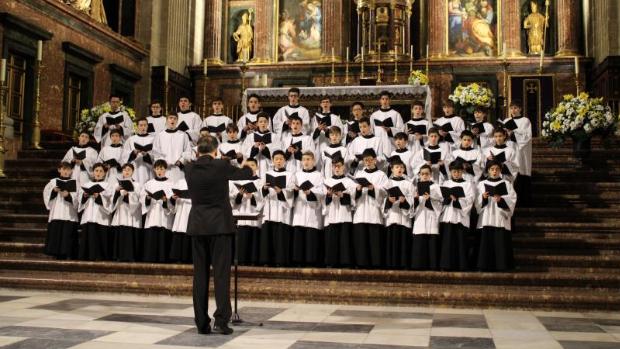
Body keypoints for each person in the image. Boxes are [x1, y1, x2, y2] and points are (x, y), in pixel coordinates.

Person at [184, 135, 254, 335]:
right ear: (215, 150)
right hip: (220, 226)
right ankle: (222, 321)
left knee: (200, 275)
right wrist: (246, 164)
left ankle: (201, 323)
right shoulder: (221, 166)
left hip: (198, 226)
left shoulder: (189, 168)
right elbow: (246, 174)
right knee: (221, 275)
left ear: (198, 151)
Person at [475, 160, 517, 271]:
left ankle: (502, 266)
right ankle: (483, 265)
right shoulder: (481, 184)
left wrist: (501, 200)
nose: (494, 172)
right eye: (492, 169)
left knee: (501, 243)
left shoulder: (507, 184)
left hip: (500, 217)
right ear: (488, 170)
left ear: (500, 171)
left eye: (497, 169)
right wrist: (483, 198)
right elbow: (476, 202)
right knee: (485, 243)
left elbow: (512, 199)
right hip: (486, 217)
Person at [352, 148, 389, 268]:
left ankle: (375, 264)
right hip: (361, 210)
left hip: (374, 211)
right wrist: (357, 189)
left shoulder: (381, 175)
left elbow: (385, 192)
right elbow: (352, 192)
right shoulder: (359, 174)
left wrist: (374, 189)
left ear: (375, 160)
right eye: (365, 160)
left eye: (369, 159)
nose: (367, 162)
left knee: (374, 241)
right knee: (361, 240)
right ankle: (361, 264)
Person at [259, 150, 295, 266]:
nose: (278, 161)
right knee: (267, 236)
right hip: (269, 209)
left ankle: (280, 261)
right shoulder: (267, 174)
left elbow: (290, 191)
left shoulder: (290, 175)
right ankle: (266, 260)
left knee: (280, 236)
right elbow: (261, 192)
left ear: (284, 160)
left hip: (281, 210)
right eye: (276, 159)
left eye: (281, 159)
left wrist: (281, 192)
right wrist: (264, 188)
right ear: (273, 160)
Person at [438, 160, 475, 271]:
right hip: (448, 216)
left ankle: (461, 265)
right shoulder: (446, 184)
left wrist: (457, 200)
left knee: (460, 241)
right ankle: (446, 265)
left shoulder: (467, 185)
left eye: (458, 171)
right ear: (450, 172)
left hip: (460, 217)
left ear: (462, 172)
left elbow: (470, 200)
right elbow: (440, 199)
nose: (456, 174)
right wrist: (447, 199)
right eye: (454, 171)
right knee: (447, 242)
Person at [291, 151, 325, 266]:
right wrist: (295, 191)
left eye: (308, 159)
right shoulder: (297, 174)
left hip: (312, 210)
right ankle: (298, 261)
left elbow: (321, 191)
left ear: (313, 161)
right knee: (299, 235)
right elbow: (291, 190)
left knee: (311, 236)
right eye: (304, 159)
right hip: (300, 208)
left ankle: (311, 261)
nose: (306, 161)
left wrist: (310, 192)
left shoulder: (319, 175)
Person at [323, 157, 357, 267]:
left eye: (339, 166)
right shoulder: (327, 181)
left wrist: (342, 195)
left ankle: (345, 262)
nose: (337, 168)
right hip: (332, 213)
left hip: (344, 213)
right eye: (334, 166)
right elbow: (322, 200)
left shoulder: (349, 182)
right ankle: (331, 262)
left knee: (344, 240)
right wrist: (328, 195)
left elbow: (354, 199)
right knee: (331, 239)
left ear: (343, 167)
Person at [229, 158, 263, 265]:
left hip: (253, 213)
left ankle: (253, 261)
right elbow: (233, 201)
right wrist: (240, 195)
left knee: (253, 238)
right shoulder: (237, 181)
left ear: (257, 167)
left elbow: (263, 199)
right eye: (247, 166)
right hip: (241, 213)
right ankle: (241, 260)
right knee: (241, 238)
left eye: (252, 165)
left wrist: (252, 197)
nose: (250, 168)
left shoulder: (260, 181)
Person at [43, 161, 79, 259]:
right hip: (57, 211)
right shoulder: (53, 181)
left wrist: (68, 196)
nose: (66, 171)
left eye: (68, 169)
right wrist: (53, 191)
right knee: (56, 233)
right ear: (59, 170)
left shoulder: (75, 182)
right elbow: (46, 194)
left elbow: (77, 197)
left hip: (69, 212)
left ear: (71, 171)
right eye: (64, 169)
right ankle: (55, 252)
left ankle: (67, 253)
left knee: (68, 233)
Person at [141, 160, 174, 263]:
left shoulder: (171, 183)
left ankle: (163, 258)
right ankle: (149, 258)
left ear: (165, 169)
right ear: (154, 169)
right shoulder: (149, 183)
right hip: (152, 213)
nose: (160, 171)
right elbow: (142, 198)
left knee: (163, 236)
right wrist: (147, 198)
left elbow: (173, 201)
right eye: (158, 168)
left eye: (162, 169)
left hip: (164, 214)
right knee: (151, 235)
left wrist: (166, 201)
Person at [383, 159, 414, 269]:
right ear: (391, 169)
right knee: (392, 241)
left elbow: (412, 203)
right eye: (397, 167)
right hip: (392, 217)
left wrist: (404, 201)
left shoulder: (408, 184)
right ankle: (391, 264)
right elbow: (382, 201)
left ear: (404, 169)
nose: (399, 169)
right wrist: (389, 201)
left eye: (401, 167)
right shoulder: (387, 183)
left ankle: (403, 264)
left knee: (403, 242)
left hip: (404, 218)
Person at [78, 163, 113, 261]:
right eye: (96, 171)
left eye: (101, 171)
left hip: (101, 215)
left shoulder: (107, 185)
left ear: (105, 173)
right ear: (93, 172)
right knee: (88, 234)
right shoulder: (87, 184)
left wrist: (99, 197)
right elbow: (80, 199)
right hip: (89, 213)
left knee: (100, 235)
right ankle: (86, 255)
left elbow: (110, 200)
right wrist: (84, 196)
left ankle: (100, 256)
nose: (98, 173)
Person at [411, 165, 443, 270]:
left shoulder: (435, 186)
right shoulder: (415, 187)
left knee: (431, 241)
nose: (424, 176)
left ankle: (432, 266)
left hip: (431, 216)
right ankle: (418, 266)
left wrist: (430, 199)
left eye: (427, 174)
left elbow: (440, 202)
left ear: (431, 175)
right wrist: (416, 199)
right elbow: (411, 207)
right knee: (420, 241)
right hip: (420, 216)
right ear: (419, 175)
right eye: (422, 174)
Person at [110, 163, 142, 262]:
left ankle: (131, 256)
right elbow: (112, 200)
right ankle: (119, 256)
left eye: (128, 170)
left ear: (133, 171)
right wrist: (117, 192)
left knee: (130, 235)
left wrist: (128, 195)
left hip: (131, 213)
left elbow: (139, 200)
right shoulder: (116, 184)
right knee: (121, 233)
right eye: (124, 170)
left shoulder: (137, 184)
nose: (126, 171)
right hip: (121, 212)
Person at [503, 100, 532, 206]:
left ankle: (522, 201)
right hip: (509, 148)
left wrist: (513, 133)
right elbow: (501, 136)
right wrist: (506, 134)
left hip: (520, 150)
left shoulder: (525, 121)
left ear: (520, 109)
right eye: (511, 108)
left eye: (515, 108)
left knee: (520, 172)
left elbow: (527, 136)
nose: (513, 110)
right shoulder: (507, 120)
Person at [153, 114, 193, 182]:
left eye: (175, 118)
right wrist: (163, 162)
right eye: (170, 118)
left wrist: (181, 161)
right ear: (166, 120)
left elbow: (187, 151)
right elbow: (156, 151)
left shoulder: (183, 135)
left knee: (178, 188)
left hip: (178, 168)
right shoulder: (160, 135)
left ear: (177, 121)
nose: (172, 120)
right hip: (164, 168)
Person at [242, 112, 281, 180]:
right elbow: (244, 151)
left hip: (268, 166)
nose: (263, 123)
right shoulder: (251, 136)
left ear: (268, 123)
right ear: (257, 123)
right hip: (254, 165)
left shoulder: (274, 137)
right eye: (261, 122)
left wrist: (266, 149)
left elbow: (278, 153)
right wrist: (254, 148)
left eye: (265, 121)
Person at [123, 118, 155, 184]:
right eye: (141, 125)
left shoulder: (153, 138)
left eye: (145, 125)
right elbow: (124, 155)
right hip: (135, 167)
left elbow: (157, 154)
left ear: (147, 126)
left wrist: (147, 155)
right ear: (137, 126)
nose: (143, 127)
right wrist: (133, 153)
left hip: (148, 168)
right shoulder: (131, 139)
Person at [169, 176, 193, 264]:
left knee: (192, 232)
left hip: (193, 209)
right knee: (181, 230)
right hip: (181, 210)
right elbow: (173, 198)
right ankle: (178, 257)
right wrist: (173, 198)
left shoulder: (200, 180)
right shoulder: (180, 182)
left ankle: (190, 258)